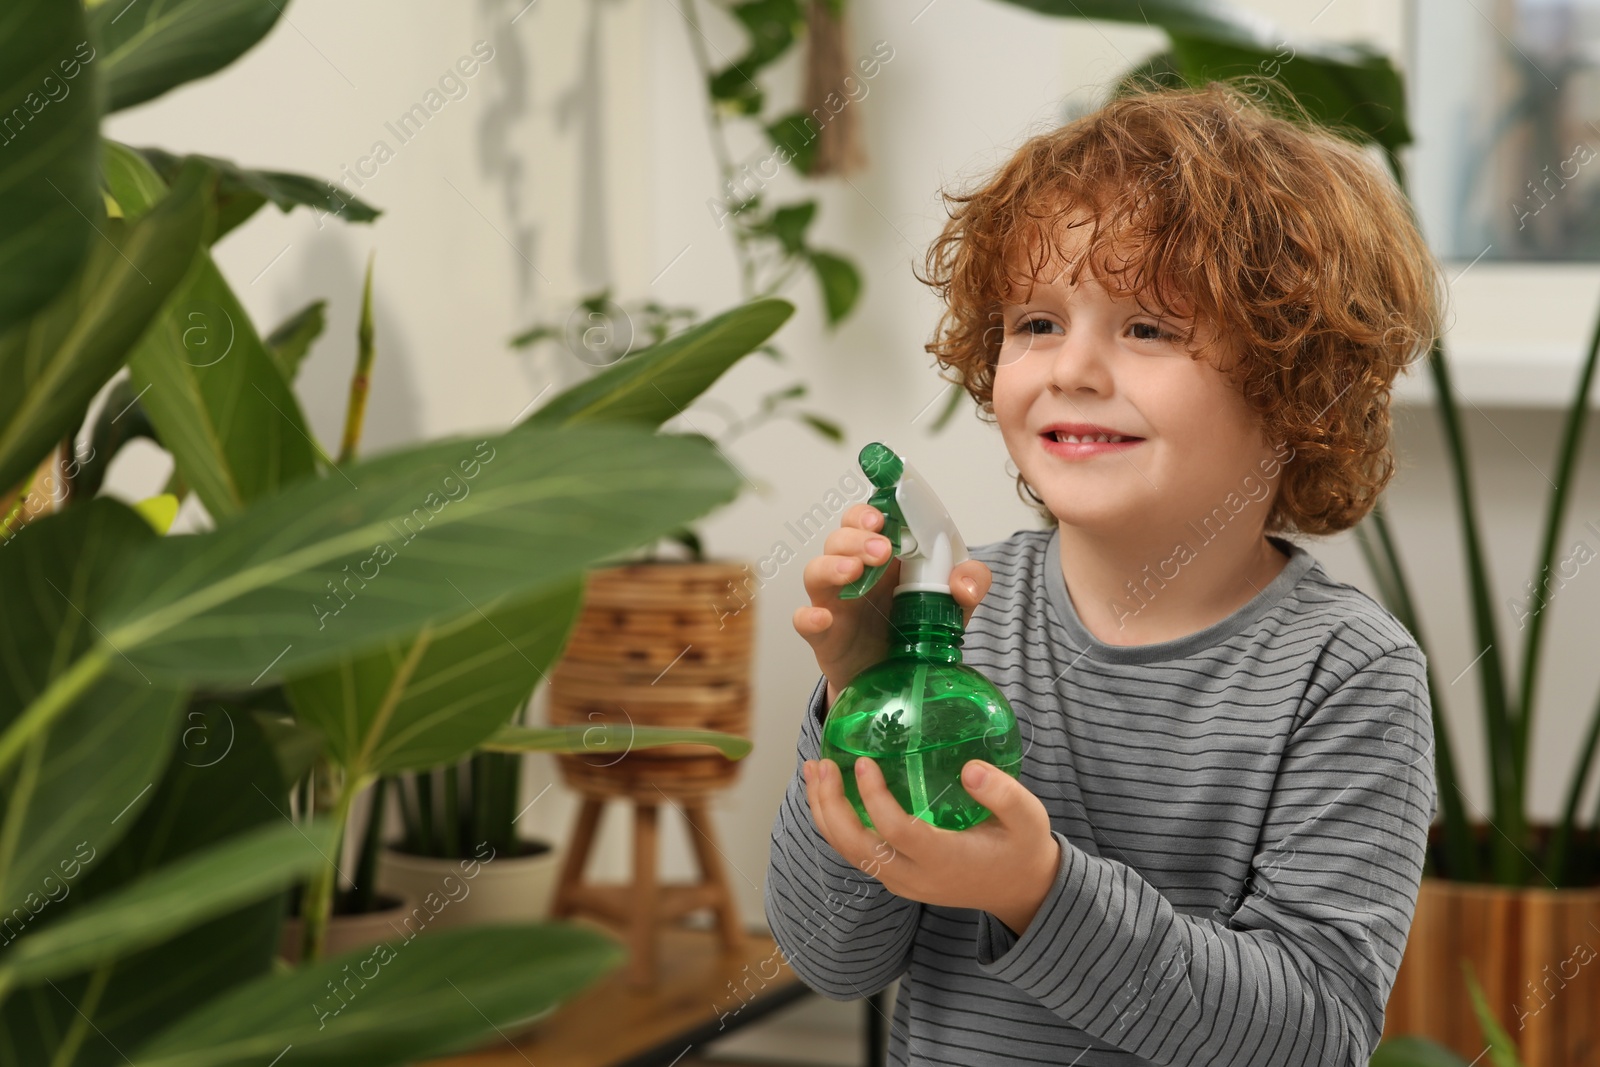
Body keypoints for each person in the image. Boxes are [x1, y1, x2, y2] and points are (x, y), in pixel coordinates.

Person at [765, 80, 1443, 1067]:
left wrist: (1034, 888)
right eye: (1035, 322)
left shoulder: (1346, 675)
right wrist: (860, 695)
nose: (1070, 368)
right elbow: (834, 957)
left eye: (1148, 328)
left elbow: (1312, 1033)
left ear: (1294, 381)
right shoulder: (953, 617)